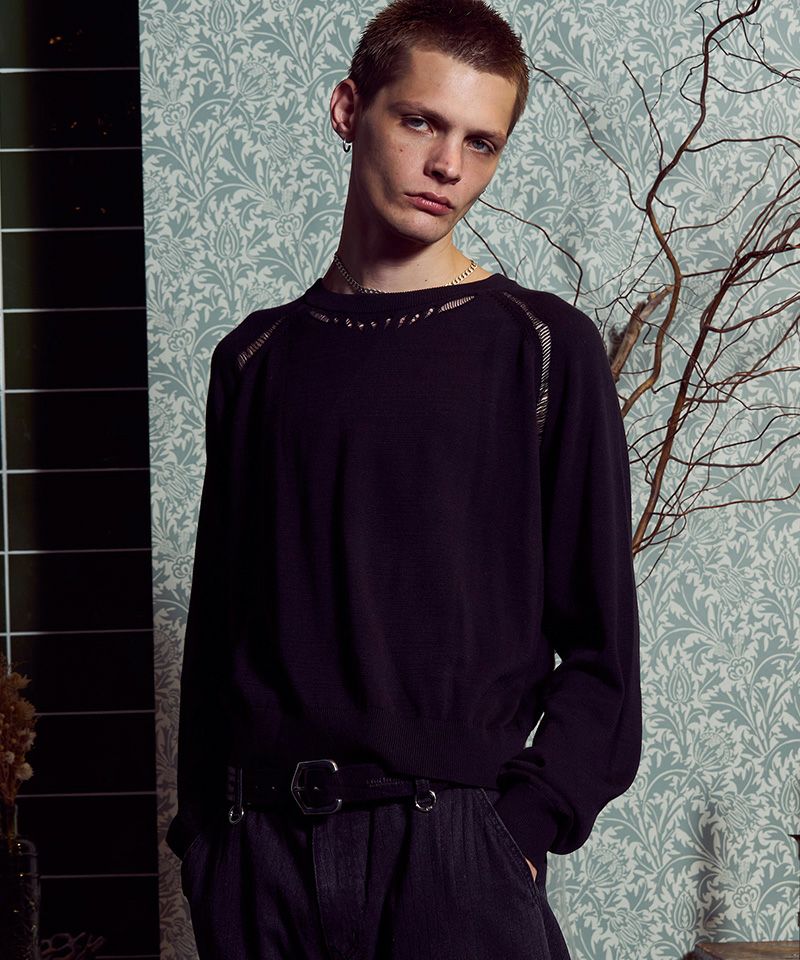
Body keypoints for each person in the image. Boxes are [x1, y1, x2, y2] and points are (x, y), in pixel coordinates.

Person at [165, 0, 642, 957]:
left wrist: (517, 834)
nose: (448, 166)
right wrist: (206, 846)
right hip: (262, 859)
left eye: (481, 142)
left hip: (454, 857)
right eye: (421, 122)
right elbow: (218, 637)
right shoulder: (254, 359)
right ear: (350, 110)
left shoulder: (542, 347)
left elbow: (604, 658)